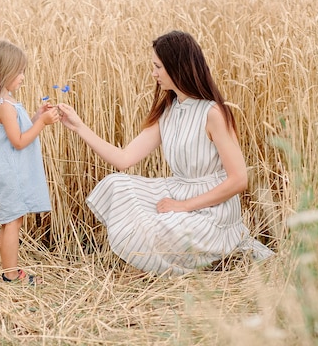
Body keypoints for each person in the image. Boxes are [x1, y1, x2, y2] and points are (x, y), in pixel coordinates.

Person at [58, 30, 273, 276]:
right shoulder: (168, 111)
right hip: (177, 190)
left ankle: (220, 253)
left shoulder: (213, 113)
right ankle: (161, 259)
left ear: (176, 67)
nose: (154, 74)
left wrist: (183, 206)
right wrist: (79, 127)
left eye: (158, 67)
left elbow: (239, 180)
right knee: (115, 185)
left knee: (158, 229)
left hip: (213, 208)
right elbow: (124, 159)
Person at [0, 39, 60, 285]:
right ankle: (11, 275)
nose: (23, 76)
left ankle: (9, 271)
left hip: (6, 171)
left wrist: (36, 115)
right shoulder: (5, 107)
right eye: (19, 71)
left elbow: (19, 130)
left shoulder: (6, 102)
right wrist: (42, 124)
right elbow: (19, 141)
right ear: (4, 73)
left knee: (11, 221)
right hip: (8, 173)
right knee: (12, 222)